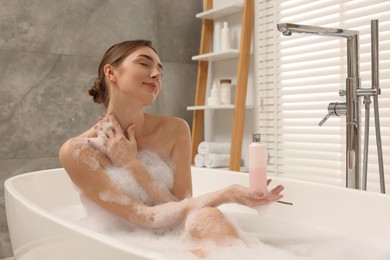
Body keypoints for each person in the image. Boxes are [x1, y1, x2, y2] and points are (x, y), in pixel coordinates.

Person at [59, 40, 284, 252]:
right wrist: (227, 194)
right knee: (207, 216)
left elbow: (180, 208)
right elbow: (143, 217)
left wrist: (132, 164)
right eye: (144, 63)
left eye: (160, 70)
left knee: (206, 217)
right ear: (111, 73)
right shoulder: (78, 151)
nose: (156, 74)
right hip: (128, 245)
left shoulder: (175, 130)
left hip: (174, 239)